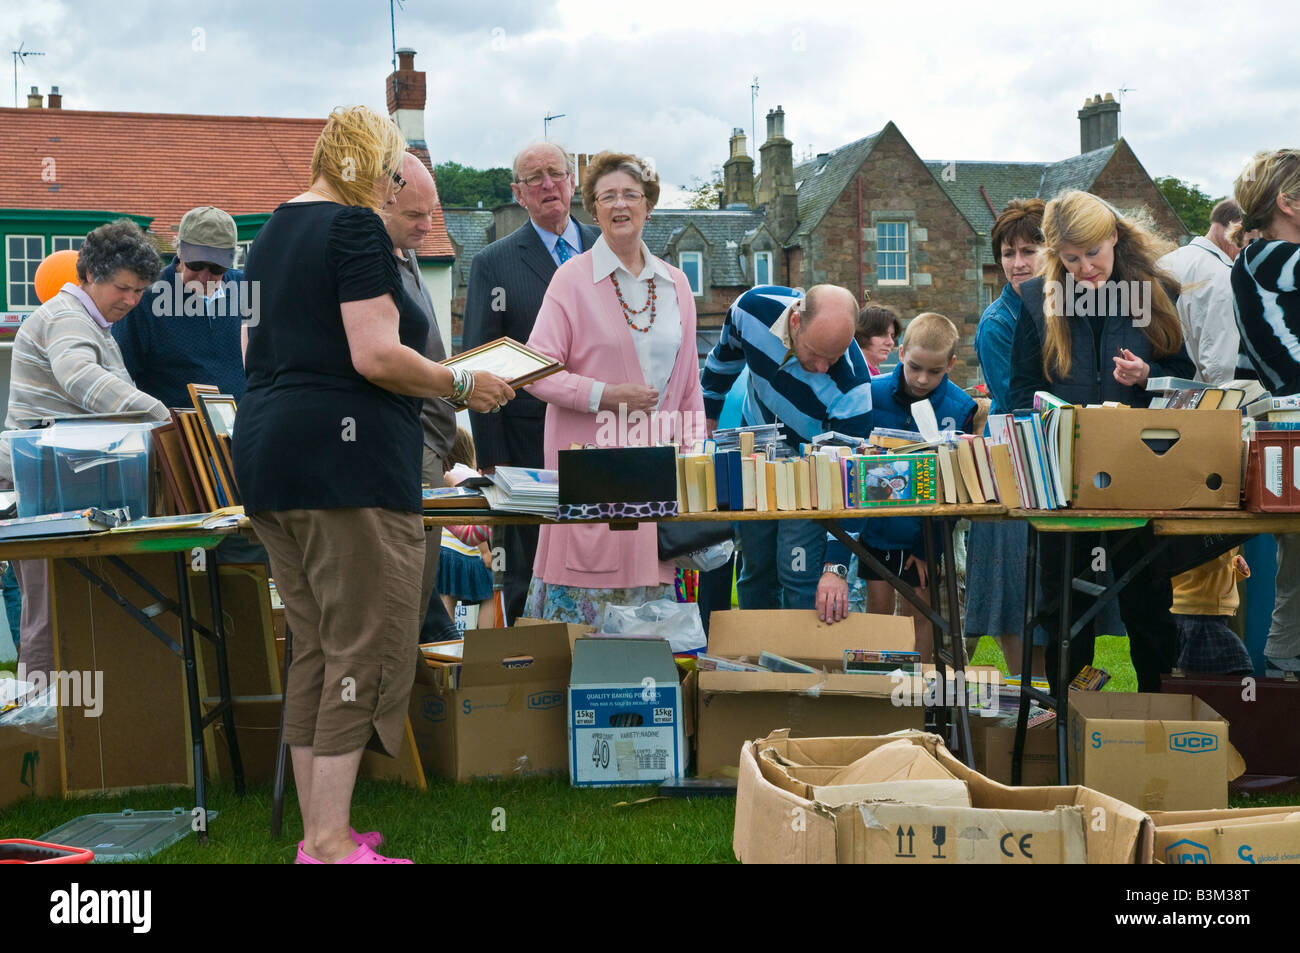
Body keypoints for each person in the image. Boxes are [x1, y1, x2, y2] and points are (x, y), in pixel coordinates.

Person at [233, 105, 513, 865]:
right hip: (343, 467)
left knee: (316, 648)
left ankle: (316, 836)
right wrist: (462, 383)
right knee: (360, 648)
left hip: (267, 457)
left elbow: (253, 348)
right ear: (369, 164)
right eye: (392, 169)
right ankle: (328, 840)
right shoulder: (354, 228)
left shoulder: (268, 233)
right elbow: (376, 356)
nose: (395, 184)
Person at [1009, 189, 1195, 694]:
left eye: (1093, 253)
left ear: (1113, 236)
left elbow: (1184, 380)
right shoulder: (1035, 300)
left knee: (1147, 601)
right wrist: (1043, 409)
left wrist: (1147, 376)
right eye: (1070, 259)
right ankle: (1068, 720)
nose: (1085, 268)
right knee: (1062, 605)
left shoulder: (1156, 292)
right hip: (1063, 476)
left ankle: (1158, 712)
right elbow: (1019, 388)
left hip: (1137, 472)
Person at [523, 150, 704, 625]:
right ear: (594, 209)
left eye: (630, 194)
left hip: (659, 480)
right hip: (591, 475)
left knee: (654, 642)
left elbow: (689, 390)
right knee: (580, 647)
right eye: (607, 196)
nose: (619, 205)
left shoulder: (677, 284)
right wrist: (607, 395)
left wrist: (692, 459)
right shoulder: (570, 280)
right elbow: (535, 372)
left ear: (648, 206)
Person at [1, 219, 170, 679]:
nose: (131, 301)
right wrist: (163, 417)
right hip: (41, 487)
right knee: (50, 617)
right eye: (123, 288)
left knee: (66, 611)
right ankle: (42, 736)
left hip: (61, 483)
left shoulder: (90, 321)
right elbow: (80, 378)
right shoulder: (67, 318)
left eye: (139, 292)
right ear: (91, 273)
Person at [462, 142, 601, 624]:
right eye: (534, 178)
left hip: (609, 437)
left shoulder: (611, 251)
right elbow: (482, 370)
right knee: (528, 573)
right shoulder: (493, 264)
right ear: (518, 193)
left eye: (556, 174)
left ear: (572, 182)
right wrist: (494, 467)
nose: (548, 185)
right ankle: (530, 682)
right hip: (528, 450)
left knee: (608, 564)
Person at [701, 284, 873, 610]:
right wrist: (708, 414)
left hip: (812, 479)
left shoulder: (853, 388)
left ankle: (802, 657)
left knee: (801, 578)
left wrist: (835, 566)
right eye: (815, 353)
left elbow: (852, 480)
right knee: (754, 573)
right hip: (755, 462)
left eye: (833, 357)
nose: (823, 367)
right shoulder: (750, 310)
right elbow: (723, 362)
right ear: (795, 322)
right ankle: (755, 658)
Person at [816, 313, 975, 661]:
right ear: (900, 353)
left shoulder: (960, 408)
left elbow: (954, 486)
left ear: (950, 363)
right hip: (876, 530)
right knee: (878, 616)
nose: (922, 379)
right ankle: (881, 693)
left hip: (927, 534)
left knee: (922, 616)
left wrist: (928, 547)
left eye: (935, 372)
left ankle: (920, 699)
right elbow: (850, 465)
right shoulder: (868, 396)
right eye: (915, 367)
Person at [380, 152, 462, 643]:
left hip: (430, 440)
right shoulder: (372, 263)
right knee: (406, 600)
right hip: (408, 445)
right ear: (381, 203)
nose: (427, 226)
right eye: (414, 215)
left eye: (431, 213)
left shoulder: (406, 254)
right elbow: (382, 360)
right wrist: (462, 385)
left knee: (419, 592)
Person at [964, 199, 1047, 678]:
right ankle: (1027, 704)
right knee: (1013, 596)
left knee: (1046, 598)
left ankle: (1050, 706)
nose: (1017, 263)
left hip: (1052, 469)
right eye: (1008, 252)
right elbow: (1020, 404)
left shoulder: (1064, 304)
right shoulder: (999, 323)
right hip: (1013, 466)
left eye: (1029, 250)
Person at [1230, 147, 1300, 674]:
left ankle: (1280, 675)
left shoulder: (1254, 262)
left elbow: (1243, 367)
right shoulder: (1268, 258)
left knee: (1295, 575)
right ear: (1289, 203)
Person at [112, 206, 248, 409]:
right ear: (180, 252)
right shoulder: (143, 297)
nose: (204, 276)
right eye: (196, 265)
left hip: (243, 429)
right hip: (175, 434)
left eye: (217, 268)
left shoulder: (245, 289)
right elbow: (118, 377)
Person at [1155, 199, 1243, 386]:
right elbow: (1222, 367)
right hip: (1202, 404)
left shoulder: (1162, 263)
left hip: (1157, 398)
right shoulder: (1225, 278)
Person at [437, 429, 496, 625]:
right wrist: (486, 551)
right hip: (470, 552)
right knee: (488, 595)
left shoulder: (441, 476)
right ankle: (484, 642)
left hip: (443, 550)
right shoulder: (470, 475)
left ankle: (445, 642)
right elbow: (478, 520)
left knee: (446, 596)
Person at [855, 302, 901, 376]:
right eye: (882, 334)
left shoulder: (869, 373)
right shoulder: (855, 375)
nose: (891, 342)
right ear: (862, 334)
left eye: (892, 336)